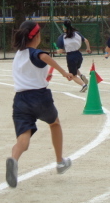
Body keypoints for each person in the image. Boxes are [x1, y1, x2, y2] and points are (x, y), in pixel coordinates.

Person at [6, 21, 73, 188]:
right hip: (39, 97)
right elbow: (43, 57)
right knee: (54, 123)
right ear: (35, 36)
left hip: (20, 100)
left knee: (23, 139)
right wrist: (64, 72)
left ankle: (14, 159)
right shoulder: (35, 53)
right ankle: (59, 162)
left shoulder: (18, 54)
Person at [56, 20, 92, 92]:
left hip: (70, 56)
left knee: (72, 75)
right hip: (79, 55)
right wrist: (88, 48)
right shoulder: (77, 34)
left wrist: (58, 51)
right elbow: (86, 41)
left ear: (64, 28)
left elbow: (60, 51)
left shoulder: (62, 37)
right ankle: (81, 75)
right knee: (75, 68)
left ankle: (83, 85)